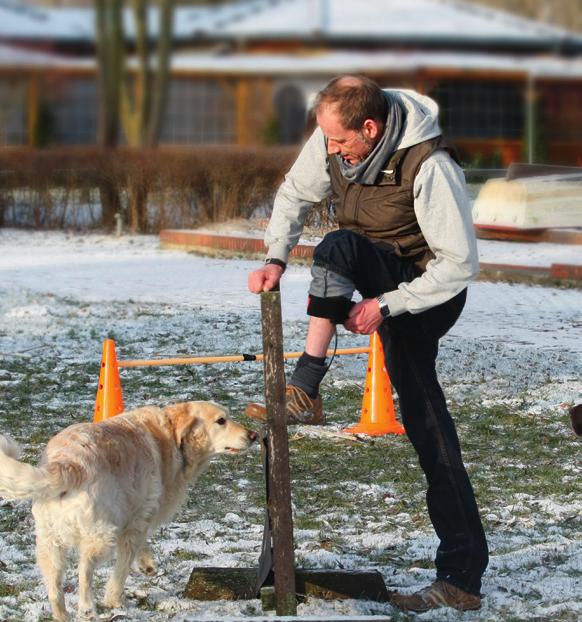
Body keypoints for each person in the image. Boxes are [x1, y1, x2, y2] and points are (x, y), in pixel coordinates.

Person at [246, 75, 488, 612]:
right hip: (373, 274)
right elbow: (293, 194)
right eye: (326, 140)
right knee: (337, 246)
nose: (329, 150)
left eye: (337, 141)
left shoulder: (430, 165)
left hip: (427, 295)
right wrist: (274, 257)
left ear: (370, 128)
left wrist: (387, 305)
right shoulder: (335, 137)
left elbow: (461, 265)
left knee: (338, 246)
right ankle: (305, 388)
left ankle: (461, 577)